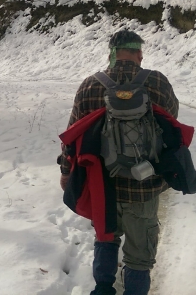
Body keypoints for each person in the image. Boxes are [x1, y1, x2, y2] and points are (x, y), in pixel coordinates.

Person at [59, 30, 180, 295]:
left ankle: (103, 289)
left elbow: (72, 137)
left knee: (106, 237)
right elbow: (173, 126)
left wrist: (66, 173)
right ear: (139, 54)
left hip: (102, 185)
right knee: (139, 257)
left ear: (111, 54)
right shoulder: (158, 82)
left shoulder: (90, 85)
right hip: (144, 186)